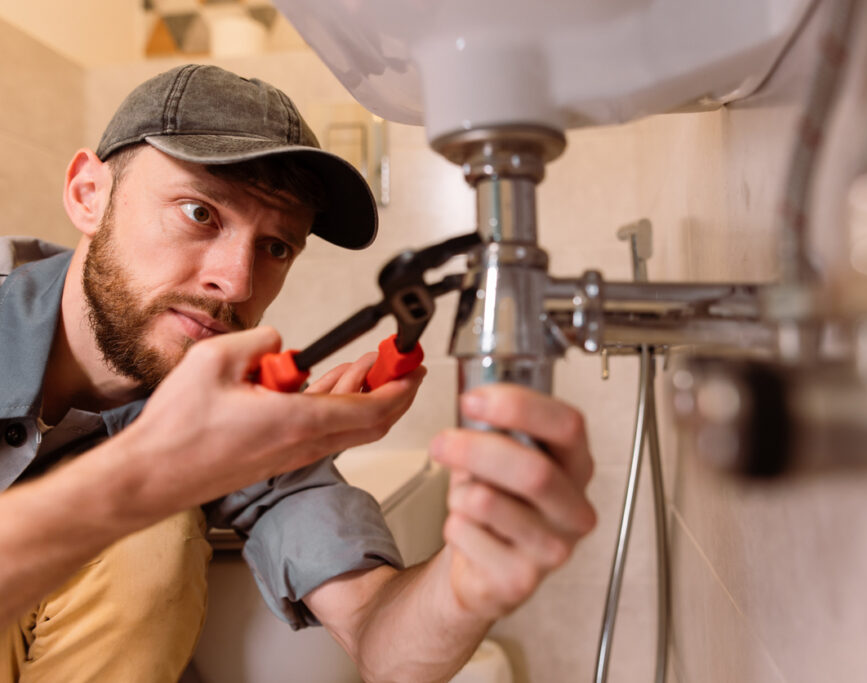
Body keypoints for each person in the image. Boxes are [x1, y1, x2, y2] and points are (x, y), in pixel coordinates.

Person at [0, 64, 595, 682]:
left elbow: (381, 640)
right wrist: (154, 472)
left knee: (146, 546)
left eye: (277, 246)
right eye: (199, 213)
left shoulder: (241, 407)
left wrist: (469, 579)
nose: (236, 282)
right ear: (87, 195)